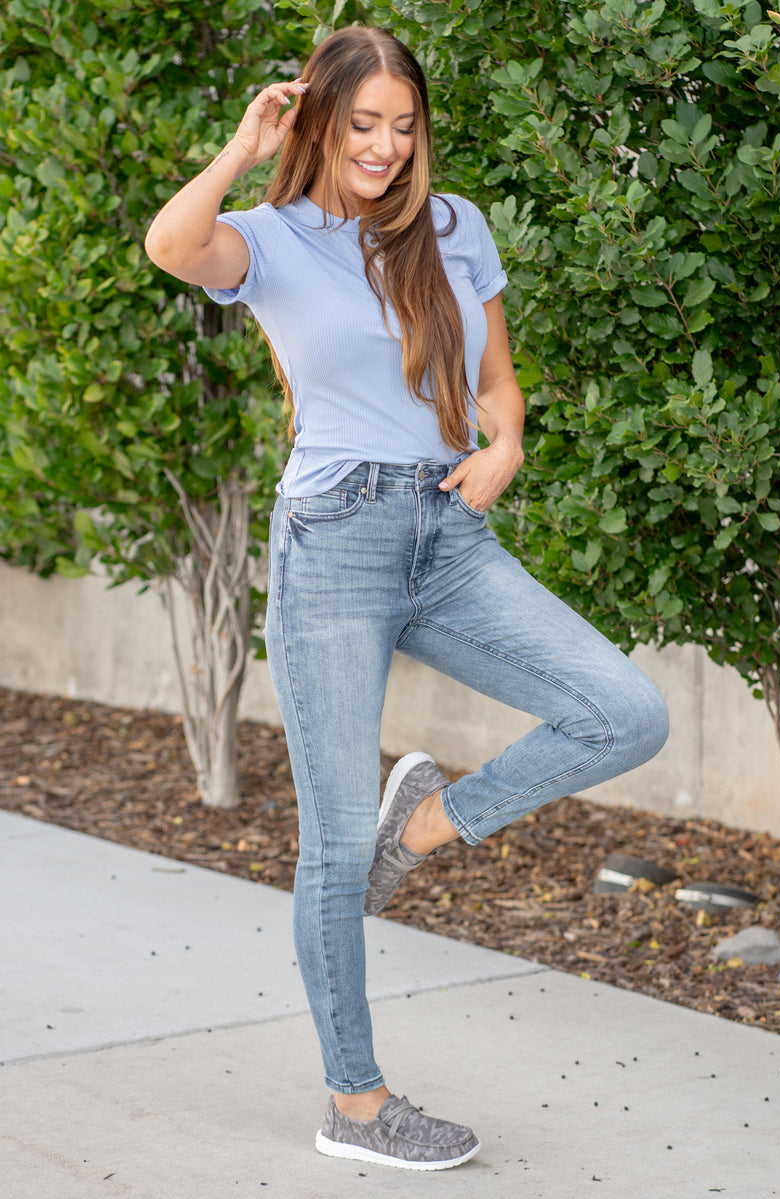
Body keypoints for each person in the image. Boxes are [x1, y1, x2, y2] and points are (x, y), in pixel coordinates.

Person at [145, 24, 669, 1172]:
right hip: (333, 543)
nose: (383, 145)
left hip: (447, 533)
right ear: (318, 122)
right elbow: (171, 243)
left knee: (624, 712)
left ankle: (426, 823)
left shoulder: (454, 226)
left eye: (401, 124)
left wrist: (505, 445)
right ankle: (357, 1101)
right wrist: (242, 146)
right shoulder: (271, 239)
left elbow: (494, 380)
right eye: (361, 124)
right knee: (334, 847)